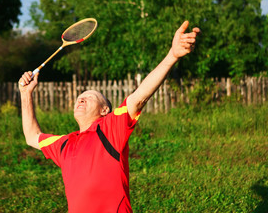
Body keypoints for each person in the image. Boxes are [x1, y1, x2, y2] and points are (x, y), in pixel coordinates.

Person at [19, 21, 200, 212]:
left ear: (105, 110)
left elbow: (139, 98)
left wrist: (172, 56)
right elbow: (31, 137)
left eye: (89, 97)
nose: (81, 99)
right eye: (79, 98)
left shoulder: (110, 128)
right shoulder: (64, 144)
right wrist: (25, 93)